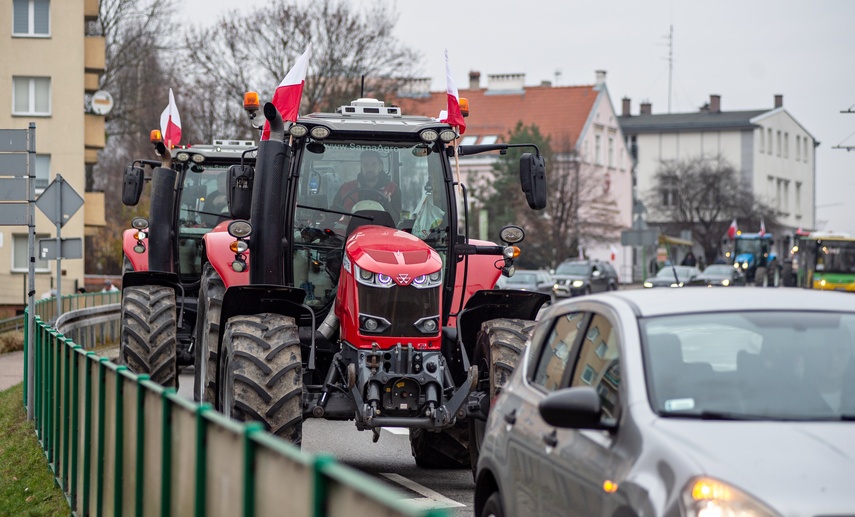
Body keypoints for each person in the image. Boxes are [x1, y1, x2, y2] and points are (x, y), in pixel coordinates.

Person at [332, 150, 401, 222]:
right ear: (361, 167)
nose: (370, 168)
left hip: (381, 230)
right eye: (365, 164)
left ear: (380, 167)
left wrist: (387, 205)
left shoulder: (392, 189)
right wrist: (324, 216)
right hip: (350, 231)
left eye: (374, 164)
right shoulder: (346, 188)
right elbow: (334, 212)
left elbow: (395, 221)